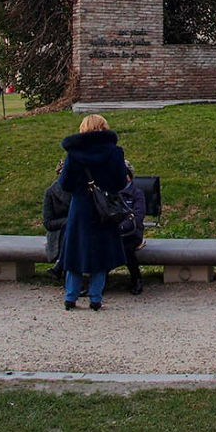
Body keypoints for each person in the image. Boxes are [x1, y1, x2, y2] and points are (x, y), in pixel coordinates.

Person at [58, 113, 128, 310]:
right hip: (103, 208)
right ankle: (95, 297)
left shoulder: (74, 153)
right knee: (101, 253)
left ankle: (71, 296)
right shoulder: (114, 152)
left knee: (75, 251)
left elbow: (65, 184)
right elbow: (121, 182)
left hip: (80, 206)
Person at [118, 159, 147, 296]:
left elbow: (138, 215)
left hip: (132, 232)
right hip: (114, 231)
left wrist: (123, 226)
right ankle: (100, 279)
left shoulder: (137, 193)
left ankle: (136, 278)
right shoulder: (111, 192)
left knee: (126, 247)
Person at [42, 160, 72, 282]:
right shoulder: (50, 193)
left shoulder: (80, 190)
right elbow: (48, 223)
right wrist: (67, 221)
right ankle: (69, 278)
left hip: (80, 230)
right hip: (59, 232)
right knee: (69, 230)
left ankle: (60, 266)